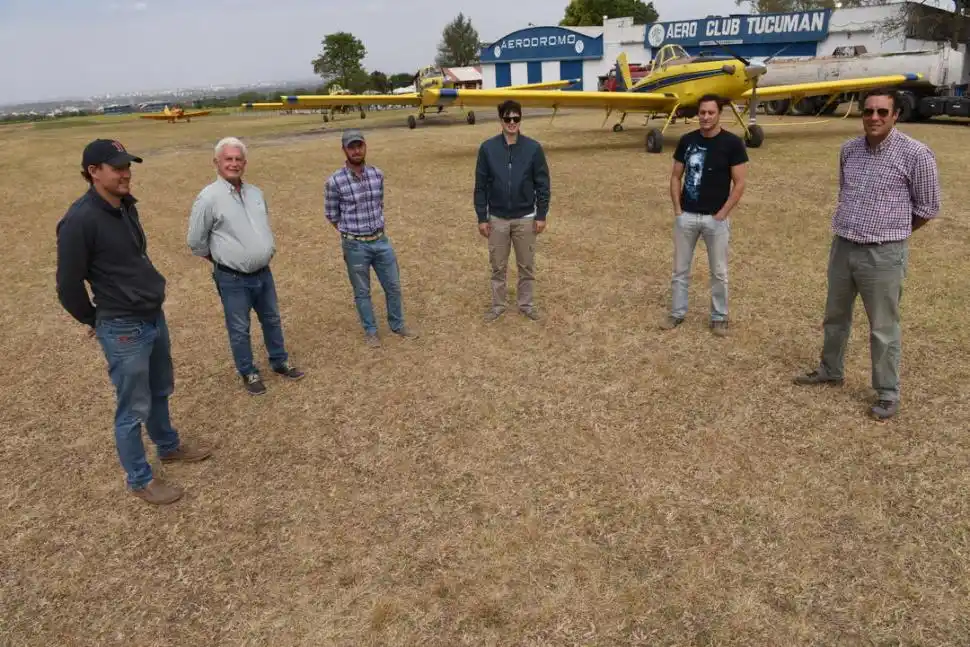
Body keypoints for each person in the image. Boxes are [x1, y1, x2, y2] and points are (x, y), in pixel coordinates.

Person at [55, 139, 211, 505]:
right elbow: (67, 285)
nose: (126, 173)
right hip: (123, 327)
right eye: (117, 167)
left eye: (128, 165)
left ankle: (168, 446)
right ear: (93, 172)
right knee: (132, 408)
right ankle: (140, 479)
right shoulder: (79, 220)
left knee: (160, 389)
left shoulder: (125, 206)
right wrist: (97, 319)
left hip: (151, 316)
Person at [793, 88, 940, 420]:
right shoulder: (849, 151)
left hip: (884, 255)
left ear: (896, 115)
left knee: (883, 327)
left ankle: (887, 392)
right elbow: (846, 190)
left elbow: (928, 207)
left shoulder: (916, 154)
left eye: (882, 112)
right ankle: (830, 369)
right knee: (835, 316)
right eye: (868, 111)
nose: (874, 118)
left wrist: (894, 234)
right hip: (844, 246)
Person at [187, 136, 304, 396]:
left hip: (264, 273)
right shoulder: (208, 198)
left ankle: (280, 361)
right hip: (233, 278)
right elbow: (196, 242)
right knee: (239, 328)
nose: (234, 163)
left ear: (245, 163)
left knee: (272, 319)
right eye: (228, 159)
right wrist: (223, 259)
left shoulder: (255, 193)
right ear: (216, 162)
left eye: (238, 159)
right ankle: (248, 372)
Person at [662, 93, 748, 336]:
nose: (706, 117)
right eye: (702, 113)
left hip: (715, 220)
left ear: (719, 114)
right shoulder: (686, 141)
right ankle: (677, 313)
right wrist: (677, 210)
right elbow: (675, 176)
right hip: (686, 216)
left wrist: (722, 214)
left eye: (711, 112)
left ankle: (719, 316)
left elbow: (740, 183)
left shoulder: (732, 143)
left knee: (719, 272)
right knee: (680, 269)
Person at [324, 129, 418, 348]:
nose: (356, 151)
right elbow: (332, 214)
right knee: (362, 291)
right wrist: (351, 233)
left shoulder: (377, 175)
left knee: (393, 285)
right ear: (344, 150)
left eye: (360, 145)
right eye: (351, 147)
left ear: (365, 146)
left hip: (380, 240)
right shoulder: (334, 182)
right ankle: (371, 331)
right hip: (355, 244)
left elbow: (379, 204)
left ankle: (397, 324)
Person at [474, 100, 551, 322]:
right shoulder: (487, 149)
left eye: (516, 118)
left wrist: (541, 214)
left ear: (520, 119)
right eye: (507, 118)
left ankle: (526, 304)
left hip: (526, 218)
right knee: (497, 266)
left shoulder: (533, 149)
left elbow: (543, 184)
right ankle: (498, 305)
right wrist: (482, 217)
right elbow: (480, 186)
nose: (512, 122)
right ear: (501, 120)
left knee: (526, 265)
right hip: (497, 218)